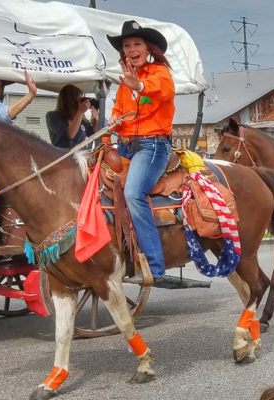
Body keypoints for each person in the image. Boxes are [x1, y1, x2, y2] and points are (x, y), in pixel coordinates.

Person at [104, 20, 175, 283]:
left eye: (136, 44)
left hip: (152, 145)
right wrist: (113, 119)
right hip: (125, 144)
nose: (131, 49)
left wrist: (139, 86)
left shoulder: (160, 73)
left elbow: (163, 90)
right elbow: (120, 110)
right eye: (126, 45)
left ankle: (156, 267)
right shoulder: (125, 82)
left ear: (148, 49)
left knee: (133, 193)